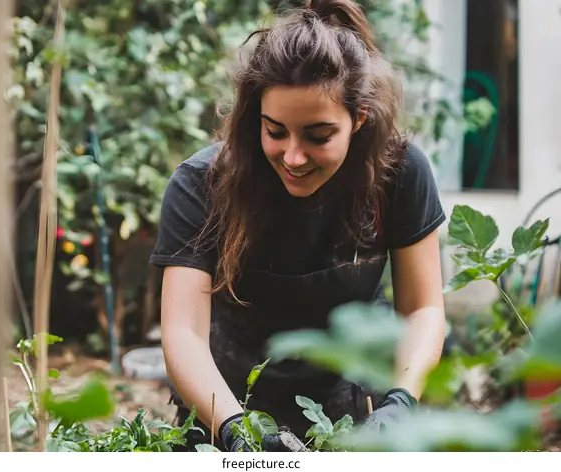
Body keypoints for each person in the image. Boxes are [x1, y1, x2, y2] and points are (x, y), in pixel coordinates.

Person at [149, 0, 446, 452]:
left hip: (353, 417)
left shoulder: (399, 174)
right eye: (275, 131)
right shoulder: (201, 186)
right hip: (224, 411)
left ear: (358, 119)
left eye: (318, 135)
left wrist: (400, 403)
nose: (293, 156)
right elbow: (183, 334)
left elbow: (423, 309)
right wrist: (238, 431)